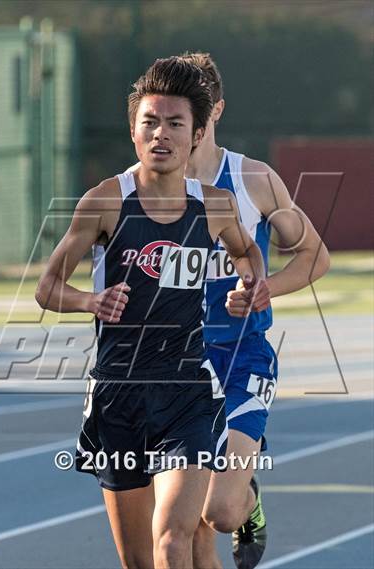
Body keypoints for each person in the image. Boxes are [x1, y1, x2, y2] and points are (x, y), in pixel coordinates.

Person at [36, 57, 269, 569]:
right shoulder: (104, 202)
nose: (160, 134)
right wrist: (88, 301)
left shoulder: (216, 205)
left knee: (173, 539)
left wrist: (250, 286)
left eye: (175, 123)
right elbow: (47, 287)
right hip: (118, 394)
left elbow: (248, 254)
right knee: (141, 561)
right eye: (150, 121)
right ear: (133, 129)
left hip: (187, 390)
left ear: (198, 133)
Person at [109, 53, 330, 569]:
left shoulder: (252, 179)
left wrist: (264, 288)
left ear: (212, 112)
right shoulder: (138, 186)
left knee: (222, 511)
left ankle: (248, 498)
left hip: (238, 359)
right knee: (186, 536)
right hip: (169, 369)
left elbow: (314, 256)